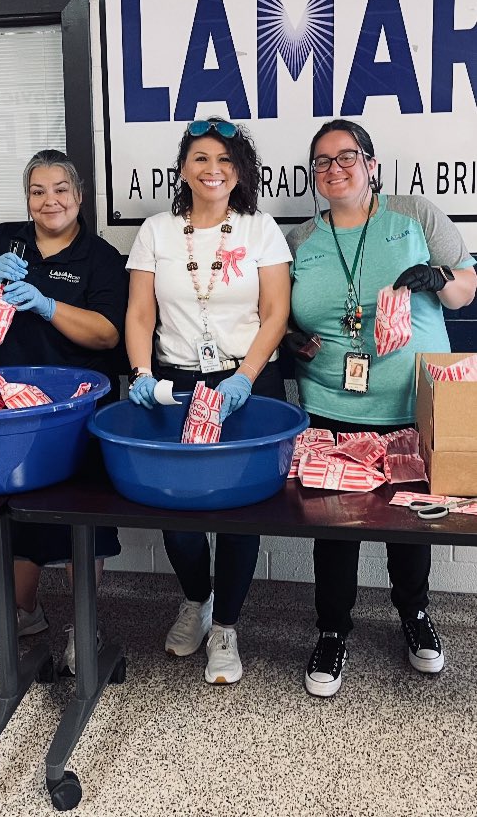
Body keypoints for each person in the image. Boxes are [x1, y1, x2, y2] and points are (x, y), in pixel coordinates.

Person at [288, 119, 477, 698]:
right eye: (322, 161)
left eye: (347, 156)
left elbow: (467, 286)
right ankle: (332, 629)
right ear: (312, 175)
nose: (334, 168)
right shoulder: (299, 239)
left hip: (410, 399)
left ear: (372, 165)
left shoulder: (415, 214)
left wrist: (438, 277)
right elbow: (281, 311)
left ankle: (415, 616)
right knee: (334, 528)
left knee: (412, 521)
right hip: (330, 398)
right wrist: (295, 338)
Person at [125, 118, 292, 684]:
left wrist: (244, 378)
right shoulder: (156, 231)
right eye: (199, 158)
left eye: (224, 158)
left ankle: (227, 625)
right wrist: (141, 370)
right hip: (175, 382)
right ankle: (195, 600)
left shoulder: (260, 228)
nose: (212, 168)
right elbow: (141, 313)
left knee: (240, 509)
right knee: (179, 509)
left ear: (239, 169)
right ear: (182, 169)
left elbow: (275, 314)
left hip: (247, 383)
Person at [0, 148, 128, 675]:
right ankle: (24, 612)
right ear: (27, 199)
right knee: (13, 509)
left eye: (60, 190)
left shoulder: (100, 258)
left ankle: (83, 624)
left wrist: (50, 307)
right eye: (37, 191)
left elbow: (109, 332)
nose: (49, 201)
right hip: (0, 406)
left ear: (78, 197)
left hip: (75, 411)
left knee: (81, 518)